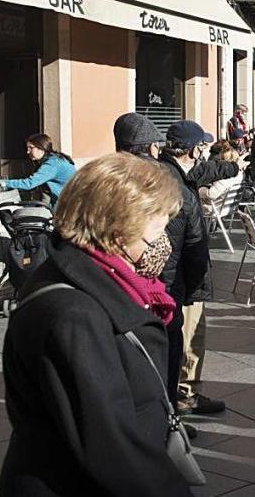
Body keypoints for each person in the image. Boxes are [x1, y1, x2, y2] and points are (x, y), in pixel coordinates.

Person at [0, 152, 193, 496]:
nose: (163, 245)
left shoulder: (92, 275)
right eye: (157, 232)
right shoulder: (73, 316)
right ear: (118, 232)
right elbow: (111, 445)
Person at [113, 113, 208, 418]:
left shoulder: (105, 185)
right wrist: (188, 289)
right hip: (167, 292)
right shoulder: (174, 186)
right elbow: (196, 249)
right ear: (153, 149)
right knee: (166, 356)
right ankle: (168, 421)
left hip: (119, 292)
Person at [160, 121, 225, 418]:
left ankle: (178, 395)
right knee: (189, 338)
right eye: (203, 146)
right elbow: (191, 244)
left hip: (170, 277)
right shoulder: (180, 188)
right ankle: (185, 396)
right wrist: (197, 284)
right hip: (181, 279)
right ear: (194, 149)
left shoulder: (169, 173)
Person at [0, 134, 76, 206]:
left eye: (31, 148)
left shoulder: (52, 164)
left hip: (68, 205)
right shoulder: (53, 159)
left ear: (41, 147)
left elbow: (29, 184)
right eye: (27, 148)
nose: (27, 152)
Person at [198, 141, 244, 217]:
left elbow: (211, 194)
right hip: (228, 207)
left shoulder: (226, 178)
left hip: (215, 208)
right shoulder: (240, 176)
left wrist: (198, 190)